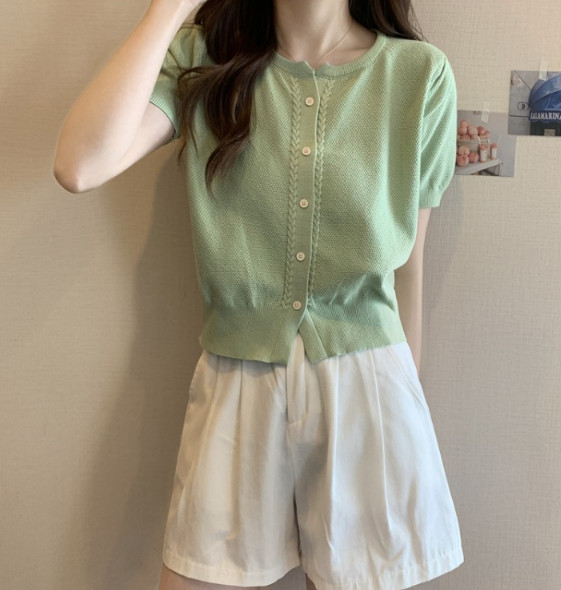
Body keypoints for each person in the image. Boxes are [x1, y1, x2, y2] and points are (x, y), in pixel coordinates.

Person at [53, 1, 463, 589]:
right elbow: (79, 165)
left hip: (368, 390)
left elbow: (409, 272)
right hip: (235, 383)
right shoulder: (204, 59)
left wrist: (402, 413)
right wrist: (170, 9)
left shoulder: (418, 74)